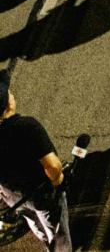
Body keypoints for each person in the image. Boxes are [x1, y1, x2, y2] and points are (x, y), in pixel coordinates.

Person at [0, 69, 72, 252]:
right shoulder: (27, 127)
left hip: (12, 197)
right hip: (40, 195)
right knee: (56, 229)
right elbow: (52, 166)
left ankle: (46, 242)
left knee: (32, 220)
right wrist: (58, 182)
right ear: (7, 103)